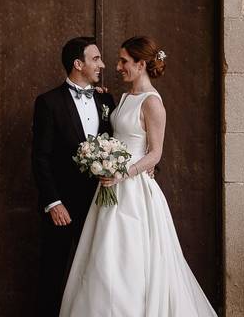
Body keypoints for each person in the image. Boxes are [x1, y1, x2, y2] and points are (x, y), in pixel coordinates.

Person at [59, 35, 217, 317]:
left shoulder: (153, 103)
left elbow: (155, 153)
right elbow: (116, 131)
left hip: (133, 190)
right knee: (102, 258)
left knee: (130, 259)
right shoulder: (120, 97)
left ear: (141, 64)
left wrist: (122, 173)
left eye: (123, 61)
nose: (117, 66)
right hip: (108, 188)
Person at [31, 36, 116, 317]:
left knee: (99, 268)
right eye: (95, 59)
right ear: (78, 64)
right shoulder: (48, 102)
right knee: (53, 269)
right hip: (64, 204)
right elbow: (40, 157)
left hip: (102, 202)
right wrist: (53, 202)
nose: (102, 65)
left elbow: (120, 141)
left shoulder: (106, 98)